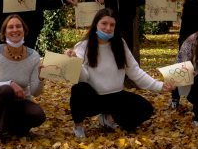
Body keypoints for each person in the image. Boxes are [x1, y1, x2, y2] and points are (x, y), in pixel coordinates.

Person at [65, 8, 172, 138]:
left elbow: (135, 72)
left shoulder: (120, 44)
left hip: (116, 95)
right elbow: (82, 77)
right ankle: (78, 125)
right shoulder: (83, 46)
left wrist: (159, 86)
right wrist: (75, 62)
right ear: (96, 24)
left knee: (146, 108)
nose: (108, 28)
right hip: (94, 97)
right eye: (104, 23)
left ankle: (108, 118)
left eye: (112, 25)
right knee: (78, 89)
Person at [0, 15, 46, 141]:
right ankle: (0, 131)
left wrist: (40, 78)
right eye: (10, 27)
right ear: (4, 32)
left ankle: (15, 128)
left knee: (38, 115)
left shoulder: (34, 56)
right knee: (6, 90)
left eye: (18, 26)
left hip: (20, 102)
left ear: (24, 30)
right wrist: (10, 83)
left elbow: (35, 92)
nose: (15, 30)